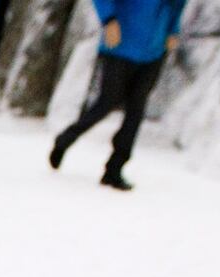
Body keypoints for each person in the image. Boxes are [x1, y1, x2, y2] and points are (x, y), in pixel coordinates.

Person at [49, 0, 187, 190]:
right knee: (106, 103)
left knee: (136, 109)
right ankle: (65, 139)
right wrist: (109, 20)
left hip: (153, 51)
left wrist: (173, 30)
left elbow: (177, 5)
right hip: (120, 45)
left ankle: (114, 168)